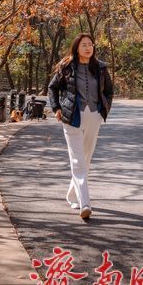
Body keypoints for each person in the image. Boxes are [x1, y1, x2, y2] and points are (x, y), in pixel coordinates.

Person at [47, 33, 114, 220]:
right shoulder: (66, 66)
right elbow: (52, 88)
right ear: (77, 47)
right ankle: (85, 203)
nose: (88, 48)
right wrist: (56, 108)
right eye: (84, 45)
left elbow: (109, 91)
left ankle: (71, 195)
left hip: (93, 117)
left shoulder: (100, 68)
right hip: (72, 117)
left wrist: (103, 109)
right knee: (78, 162)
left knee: (85, 159)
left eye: (90, 45)